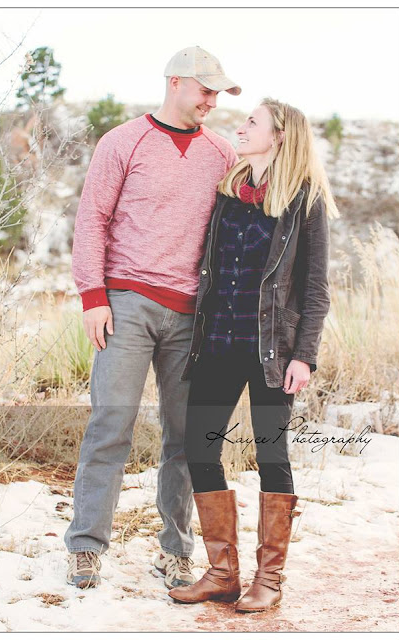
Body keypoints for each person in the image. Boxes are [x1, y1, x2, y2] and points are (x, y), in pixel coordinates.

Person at [64, 46, 241, 590]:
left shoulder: (222, 153)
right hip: (127, 305)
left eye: (218, 93)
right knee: (110, 426)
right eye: (205, 90)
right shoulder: (122, 141)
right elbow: (92, 219)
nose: (212, 101)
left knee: (185, 439)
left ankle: (176, 552)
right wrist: (93, 296)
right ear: (175, 82)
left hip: (192, 316)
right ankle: (86, 546)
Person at [168, 98, 339, 612]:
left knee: (271, 455)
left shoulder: (305, 201)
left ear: (280, 135)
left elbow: (315, 288)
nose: (240, 128)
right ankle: (222, 573)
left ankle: (269, 579)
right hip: (218, 345)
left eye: (252, 122)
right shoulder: (228, 193)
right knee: (201, 449)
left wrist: (303, 355)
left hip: (272, 354)